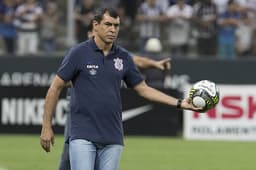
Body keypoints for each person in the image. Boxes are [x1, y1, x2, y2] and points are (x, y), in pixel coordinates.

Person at [40, 8, 200, 170]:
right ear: (96, 25)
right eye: (108, 24)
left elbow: (144, 89)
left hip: (113, 137)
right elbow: (55, 87)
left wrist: (180, 103)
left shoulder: (123, 57)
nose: (113, 29)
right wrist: (47, 126)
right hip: (82, 134)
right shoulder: (78, 53)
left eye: (116, 25)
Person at [58, 20, 171, 170]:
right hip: (80, 109)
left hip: (104, 118)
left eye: (114, 26)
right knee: (68, 156)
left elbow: (134, 60)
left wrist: (154, 64)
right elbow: (60, 81)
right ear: (91, 32)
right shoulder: (79, 53)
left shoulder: (113, 53)